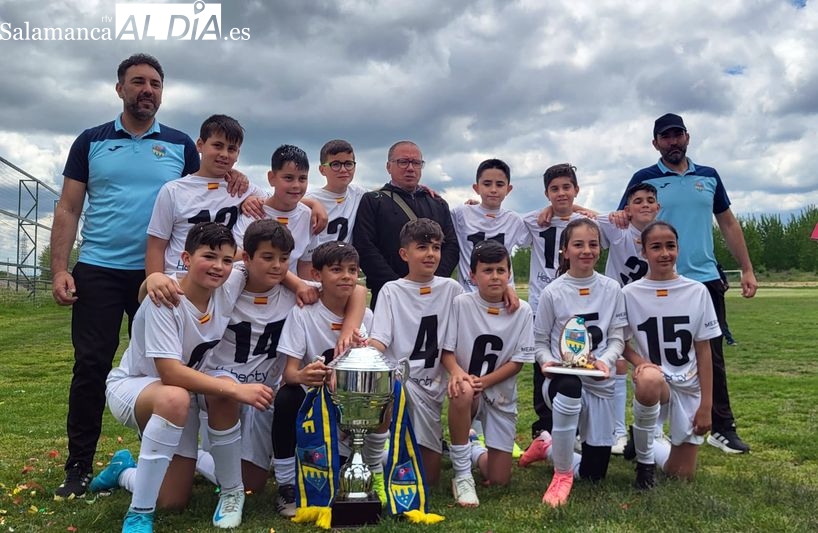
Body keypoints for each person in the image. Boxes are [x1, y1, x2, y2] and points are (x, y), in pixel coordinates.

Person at [50, 53, 247, 500]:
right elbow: (68, 207)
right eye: (137, 82)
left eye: (155, 84)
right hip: (100, 268)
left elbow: (202, 185)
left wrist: (234, 177)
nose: (147, 90)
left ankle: (156, 463)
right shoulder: (91, 141)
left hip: (162, 277)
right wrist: (60, 268)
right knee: (91, 365)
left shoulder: (178, 144)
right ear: (120, 88)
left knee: (169, 369)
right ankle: (79, 465)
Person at [92, 222, 273, 532]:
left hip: (183, 391)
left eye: (227, 260)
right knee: (201, 392)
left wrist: (302, 287)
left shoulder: (227, 282)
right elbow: (169, 372)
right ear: (186, 259)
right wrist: (154, 278)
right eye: (209, 257)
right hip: (138, 387)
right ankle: (139, 512)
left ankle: (231, 493)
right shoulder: (166, 298)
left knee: (173, 500)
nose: (219, 267)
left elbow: (264, 263)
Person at [618, 113, 758, 454]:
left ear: (687, 137)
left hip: (704, 278)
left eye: (677, 135)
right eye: (665, 137)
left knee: (711, 354)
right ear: (655, 143)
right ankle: (644, 430)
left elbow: (727, 223)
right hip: (658, 280)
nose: (672, 142)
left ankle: (722, 427)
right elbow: (622, 217)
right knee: (646, 353)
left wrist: (748, 268)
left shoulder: (708, 176)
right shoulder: (645, 178)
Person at [277, 241, 379, 512]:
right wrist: (303, 375)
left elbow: (372, 367)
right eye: (336, 269)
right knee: (287, 397)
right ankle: (285, 484)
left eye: (352, 270)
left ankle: (372, 469)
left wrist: (360, 351)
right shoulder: (302, 313)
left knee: (387, 391)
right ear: (316, 275)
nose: (346, 276)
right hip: (313, 399)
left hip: (347, 399)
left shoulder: (365, 315)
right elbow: (288, 374)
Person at [532, 218, 626, 507]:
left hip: (599, 383)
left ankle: (546, 446)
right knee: (570, 384)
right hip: (562, 382)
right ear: (565, 250)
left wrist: (605, 361)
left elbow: (617, 340)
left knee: (594, 474)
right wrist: (547, 363)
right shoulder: (553, 292)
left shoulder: (612, 289)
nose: (587, 250)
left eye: (593, 244)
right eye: (578, 244)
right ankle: (561, 475)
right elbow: (539, 344)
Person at [621, 221, 718, 489]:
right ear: (643, 251)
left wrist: (706, 406)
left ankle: (647, 440)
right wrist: (641, 363)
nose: (664, 253)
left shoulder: (696, 291)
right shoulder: (630, 293)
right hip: (655, 381)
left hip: (688, 384)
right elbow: (619, 341)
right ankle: (644, 463)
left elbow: (704, 351)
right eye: (656, 247)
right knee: (651, 378)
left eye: (670, 246)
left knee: (680, 473)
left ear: (678, 248)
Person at [367, 218, 464, 486]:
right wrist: (360, 355)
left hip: (433, 385)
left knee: (428, 479)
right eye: (422, 247)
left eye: (435, 247)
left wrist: (506, 294)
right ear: (404, 253)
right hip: (399, 383)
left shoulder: (452, 289)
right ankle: (373, 462)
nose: (431, 254)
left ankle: (386, 453)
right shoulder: (391, 291)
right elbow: (379, 341)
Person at [441, 240, 535, 507]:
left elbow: (517, 362)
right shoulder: (461, 303)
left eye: (501, 270)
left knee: (499, 479)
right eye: (487, 270)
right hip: (469, 388)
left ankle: (472, 449)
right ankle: (461, 475)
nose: (495, 276)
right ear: (473, 275)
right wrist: (460, 374)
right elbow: (446, 352)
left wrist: (484, 381)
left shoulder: (522, 310)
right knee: (462, 390)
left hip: (500, 393)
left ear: (509, 274)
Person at [519, 163, 587, 457]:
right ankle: (544, 426)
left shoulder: (588, 221)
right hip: (541, 303)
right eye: (555, 189)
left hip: (577, 304)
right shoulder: (534, 221)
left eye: (566, 187)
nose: (561, 193)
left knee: (578, 361)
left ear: (576, 190)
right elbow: (498, 221)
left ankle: (579, 426)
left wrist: (585, 211)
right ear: (546, 193)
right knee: (542, 367)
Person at [146, 114, 263, 275]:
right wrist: (155, 282)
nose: (224, 154)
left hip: (225, 280)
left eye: (231, 149)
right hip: (179, 278)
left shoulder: (244, 189)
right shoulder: (173, 191)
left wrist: (312, 205)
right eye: (217, 145)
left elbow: (285, 202)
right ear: (200, 145)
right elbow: (156, 247)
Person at [352, 141, 459, 308]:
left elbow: (451, 246)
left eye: (416, 163)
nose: (410, 168)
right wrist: (398, 286)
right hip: (389, 296)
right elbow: (365, 247)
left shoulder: (438, 203)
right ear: (388, 166)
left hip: (434, 297)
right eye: (403, 162)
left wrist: (432, 282)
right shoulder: (373, 201)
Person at [596, 183, 661, 454]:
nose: (644, 205)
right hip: (616, 306)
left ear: (658, 208)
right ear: (627, 209)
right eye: (638, 201)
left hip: (648, 309)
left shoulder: (661, 236)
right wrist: (607, 214)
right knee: (618, 364)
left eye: (650, 200)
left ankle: (652, 429)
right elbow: (579, 216)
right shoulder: (618, 229)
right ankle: (618, 431)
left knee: (653, 365)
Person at [232, 145, 312, 275]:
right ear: (271, 178)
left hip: (289, 293)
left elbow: (305, 264)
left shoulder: (308, 215)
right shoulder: (253, 213)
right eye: (288, 178)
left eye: (302, 178)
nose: (296, 185)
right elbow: (233, 257)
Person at [450, 158, 527, 292]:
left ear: (508, 189)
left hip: (503, 296)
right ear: (476, 187)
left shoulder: (514, 220)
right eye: (487, 184)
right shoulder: (460, 214)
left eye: (499, 184)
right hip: (469, 296)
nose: (493, 189)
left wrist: (571, 208)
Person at [297, 140, 368, 278]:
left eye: (348, 164)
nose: (343, 169)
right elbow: (282, 201)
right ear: (322, 169)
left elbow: (384, 195)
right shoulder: (310, 199)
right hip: (314, 269)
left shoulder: (358, 193)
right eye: (335, 164)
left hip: (342, 271)